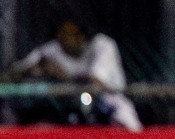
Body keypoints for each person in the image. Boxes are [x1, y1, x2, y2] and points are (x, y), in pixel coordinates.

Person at [8, 21, 143, 131]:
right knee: (40, 129)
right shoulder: (53, 49)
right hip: (69, 108)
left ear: (82, 35)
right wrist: (36, 69)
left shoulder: (102, 45)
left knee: (129, 127)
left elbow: (96, 82)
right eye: (61, 35)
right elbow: (15, 73)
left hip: (109, 106)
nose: (65, 39)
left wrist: (63, 76)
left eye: (71, 34)